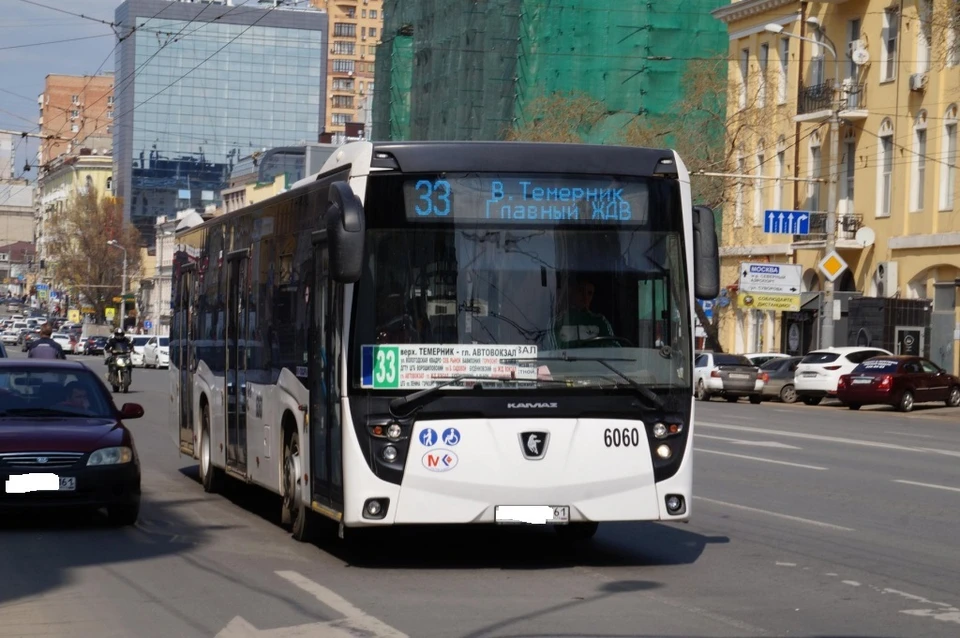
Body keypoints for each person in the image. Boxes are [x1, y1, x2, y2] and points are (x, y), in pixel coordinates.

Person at [550, 278, 616, 349]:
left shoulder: (600, 321)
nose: (585, 297)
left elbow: (612, 347)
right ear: (573, 292)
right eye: (581, 291)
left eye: (589, 293)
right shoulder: (558, 321)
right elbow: (552, 350)